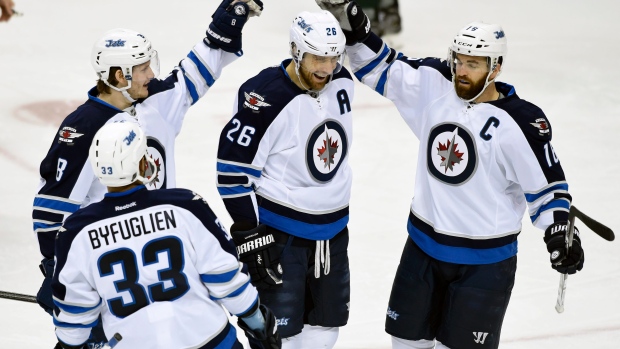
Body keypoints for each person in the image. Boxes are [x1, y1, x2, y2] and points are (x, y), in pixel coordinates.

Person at [316, 2, 585, 348]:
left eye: (473, 64)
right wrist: (353, 21)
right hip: (423, 251)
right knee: (405, 344)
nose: (462, 70)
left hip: (483, 266)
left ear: (496, 67)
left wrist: (559, 231)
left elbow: (548, 191)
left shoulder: (521, 122)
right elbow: (382, 66)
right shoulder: (436, 84)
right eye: (459, 60)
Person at [32, 0, 263, 347]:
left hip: (166, 259)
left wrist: (230, 19)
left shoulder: (158, 102)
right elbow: (51, 212)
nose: (151, 74)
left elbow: (198, 69)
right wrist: (59, 274)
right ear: (117, 76)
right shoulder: (82, 128)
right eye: (142, 68)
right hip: (117, 274)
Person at [51, 122, 281, 349]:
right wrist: (257, 322)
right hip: (209, 341)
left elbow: (75, 316)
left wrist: (68, 344)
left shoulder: (76, 232)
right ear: (142, 162)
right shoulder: (186, 206)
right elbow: (225, 277)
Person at [215, 10, 354, 349]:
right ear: (295, 49)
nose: (325, 68)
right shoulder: (264, 98)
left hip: (333, 234)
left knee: (326, 328)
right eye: (317, 57)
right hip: (282, 238)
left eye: (332, 58)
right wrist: (250, 232)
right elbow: (232, 173)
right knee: (277, 336)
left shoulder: (342, 81)